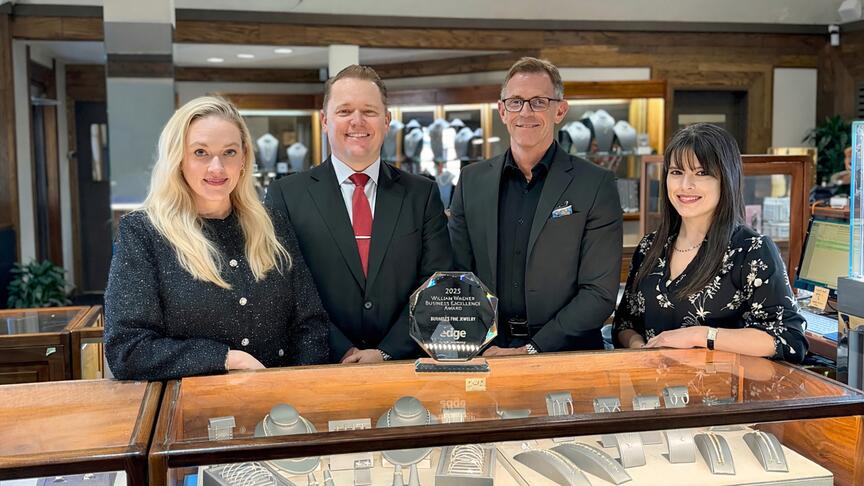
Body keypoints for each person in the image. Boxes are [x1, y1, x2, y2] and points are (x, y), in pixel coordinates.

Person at [104, 96, 329, 381]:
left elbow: (311, 323)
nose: (217, 168)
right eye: (200, 152)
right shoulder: (143, 232)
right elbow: (127, 349)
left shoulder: (273, 223)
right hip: (190, 410)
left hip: (280, 412)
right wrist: (226, 358)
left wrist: (296, 391)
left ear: (244, 158)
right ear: (178, 158)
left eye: (229, 152)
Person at [266, 65, 452, 364]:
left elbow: (436, 283)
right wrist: (344, 350)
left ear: (387, 120)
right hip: (320, 364)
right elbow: (284, 288)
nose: (357, 121)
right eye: (345, 111)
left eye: (369, 111)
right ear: (325, 121)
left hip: (404, 364)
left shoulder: (422, 194)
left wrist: (386, 352)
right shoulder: (286, 195)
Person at [449, 57, 623, 355]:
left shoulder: (596, 184)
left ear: (560, 110)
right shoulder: (470, 181)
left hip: (567, 353)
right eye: (516, 102)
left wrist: (532, 349)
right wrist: (483, 343)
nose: (526, 112)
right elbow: (457, 274)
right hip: (488, 351)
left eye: (539, 102)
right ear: (502, 110)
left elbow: (599, 293)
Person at [613, 123, 807, 363]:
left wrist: (700, 335)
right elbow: (624, 323)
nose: (685, 185)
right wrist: (639, 347)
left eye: (701, 173)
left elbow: (788, 338)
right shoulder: (649, 247)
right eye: (676, 172)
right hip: (655, 393)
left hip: (724, 395)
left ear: (726, 178)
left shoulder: (752, 250)